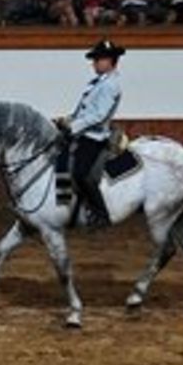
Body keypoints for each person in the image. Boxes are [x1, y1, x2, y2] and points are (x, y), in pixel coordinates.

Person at [57, 39, 125, 228]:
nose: (94, 63)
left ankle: (101, 214)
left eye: (98, 59)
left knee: (81, 174)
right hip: (82, 132)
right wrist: (68, 119)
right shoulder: (96, 83)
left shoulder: (110, 85)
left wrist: (73, 127)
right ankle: (65, 206)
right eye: (94, 59)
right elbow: (83, 111)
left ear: (110, 61)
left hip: (94, 137)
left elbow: (98, 115)